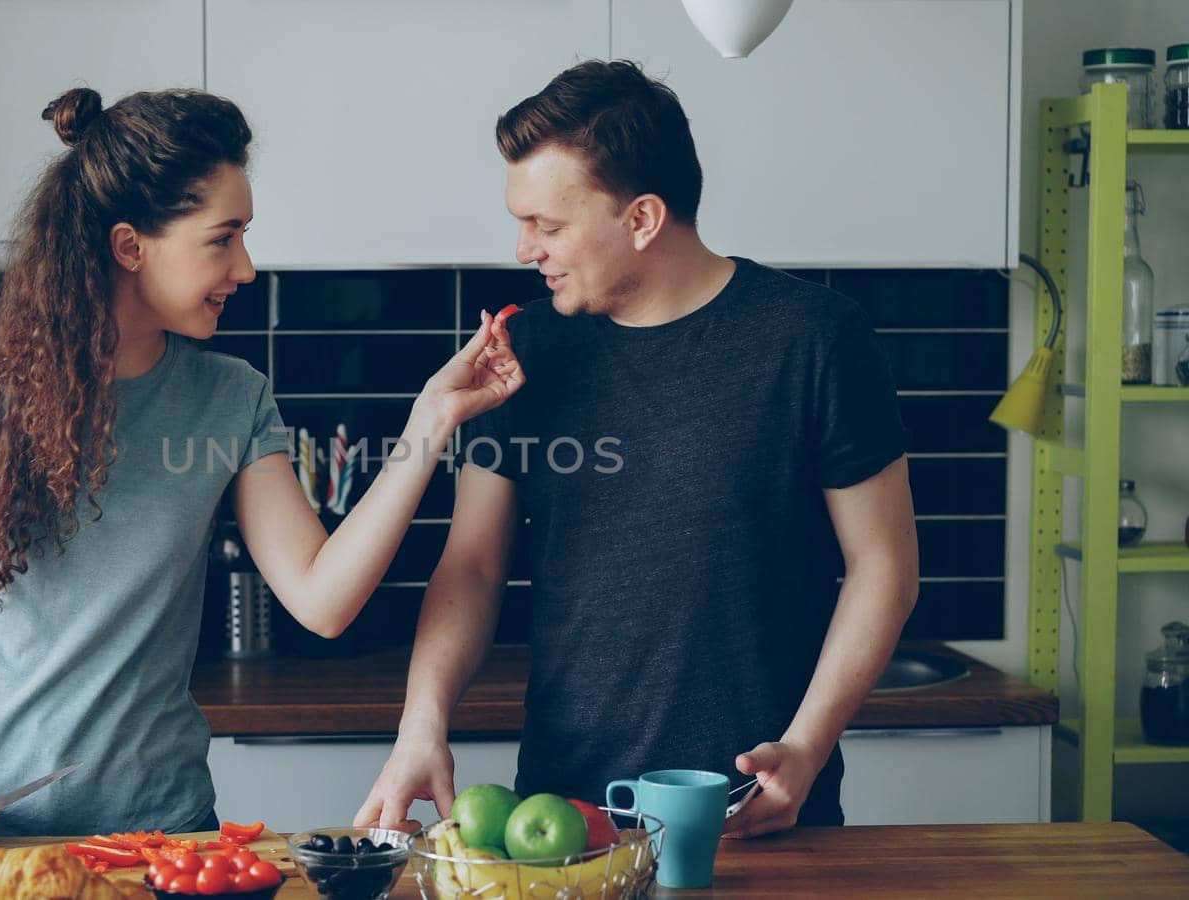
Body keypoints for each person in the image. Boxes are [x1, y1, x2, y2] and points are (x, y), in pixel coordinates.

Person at [0, 86, 524, 851]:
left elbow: (323, 599)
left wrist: (427, 424)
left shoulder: (230, 399)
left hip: (164, 835)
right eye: (222, 238)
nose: (246, 267)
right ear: (132, 247)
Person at [356, 60, 919, 839]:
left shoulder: (814, 339)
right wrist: (422, 722)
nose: (525, 250)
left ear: (643, 218)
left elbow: (883, 565)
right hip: (560, 819)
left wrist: (808, 744)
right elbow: (473, 566)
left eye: (548, 227)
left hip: (757, 812)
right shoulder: (524, 351)